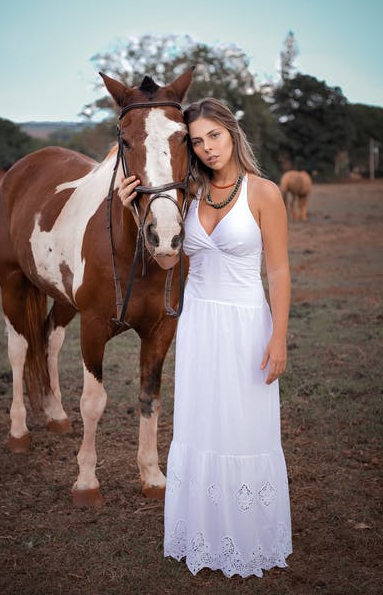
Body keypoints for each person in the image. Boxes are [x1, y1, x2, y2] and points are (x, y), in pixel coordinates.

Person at [119, 97, 292, 578]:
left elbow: (277, 271)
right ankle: (204, 531)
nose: (208, 147)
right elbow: (169, 260)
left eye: (214, 135)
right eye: (197, 141)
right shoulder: (188, 196)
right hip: (198, 327)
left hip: (244, 324)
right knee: (201, 426)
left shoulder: (264, 193)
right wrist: (135, 208)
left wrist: (279, 337)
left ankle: (249, 535)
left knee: (243, 429)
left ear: (232, 134)